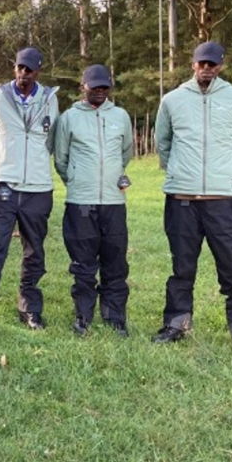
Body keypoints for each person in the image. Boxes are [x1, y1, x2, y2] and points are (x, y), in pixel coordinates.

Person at [153, 41, 232, 354]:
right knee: (182, 268)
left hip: (222, 200)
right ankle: (176, 324)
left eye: (212, 64)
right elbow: (163, 142)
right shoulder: (172, 100)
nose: (206, 69)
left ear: (221, 66)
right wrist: (181, 171)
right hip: (181, 199)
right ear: (193, 63)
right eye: (202, 63)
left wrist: (222, 172)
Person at [0, 47, 59, 333]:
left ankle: (30, 309)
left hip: (39, 189)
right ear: (14, 68)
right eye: (19, 68)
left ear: (38, 71)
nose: (23, 74)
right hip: (6, 187)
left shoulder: (50, 100)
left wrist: (39, 168)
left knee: (34, 252)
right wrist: (0, 174)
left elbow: (52, 139)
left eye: (29, 69)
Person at [53, 65, 133, 337]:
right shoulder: (68, 118)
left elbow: (125, 152)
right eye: (93, 86)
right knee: (83, 264)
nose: (99, 91)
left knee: (115, 261)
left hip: (113, 202)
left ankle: (114, 316)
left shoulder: (120, 116)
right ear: (82, 86)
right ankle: (83, 315)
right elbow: (61, 159)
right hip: (80, 202)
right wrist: (76, 180)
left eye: (104, 86)